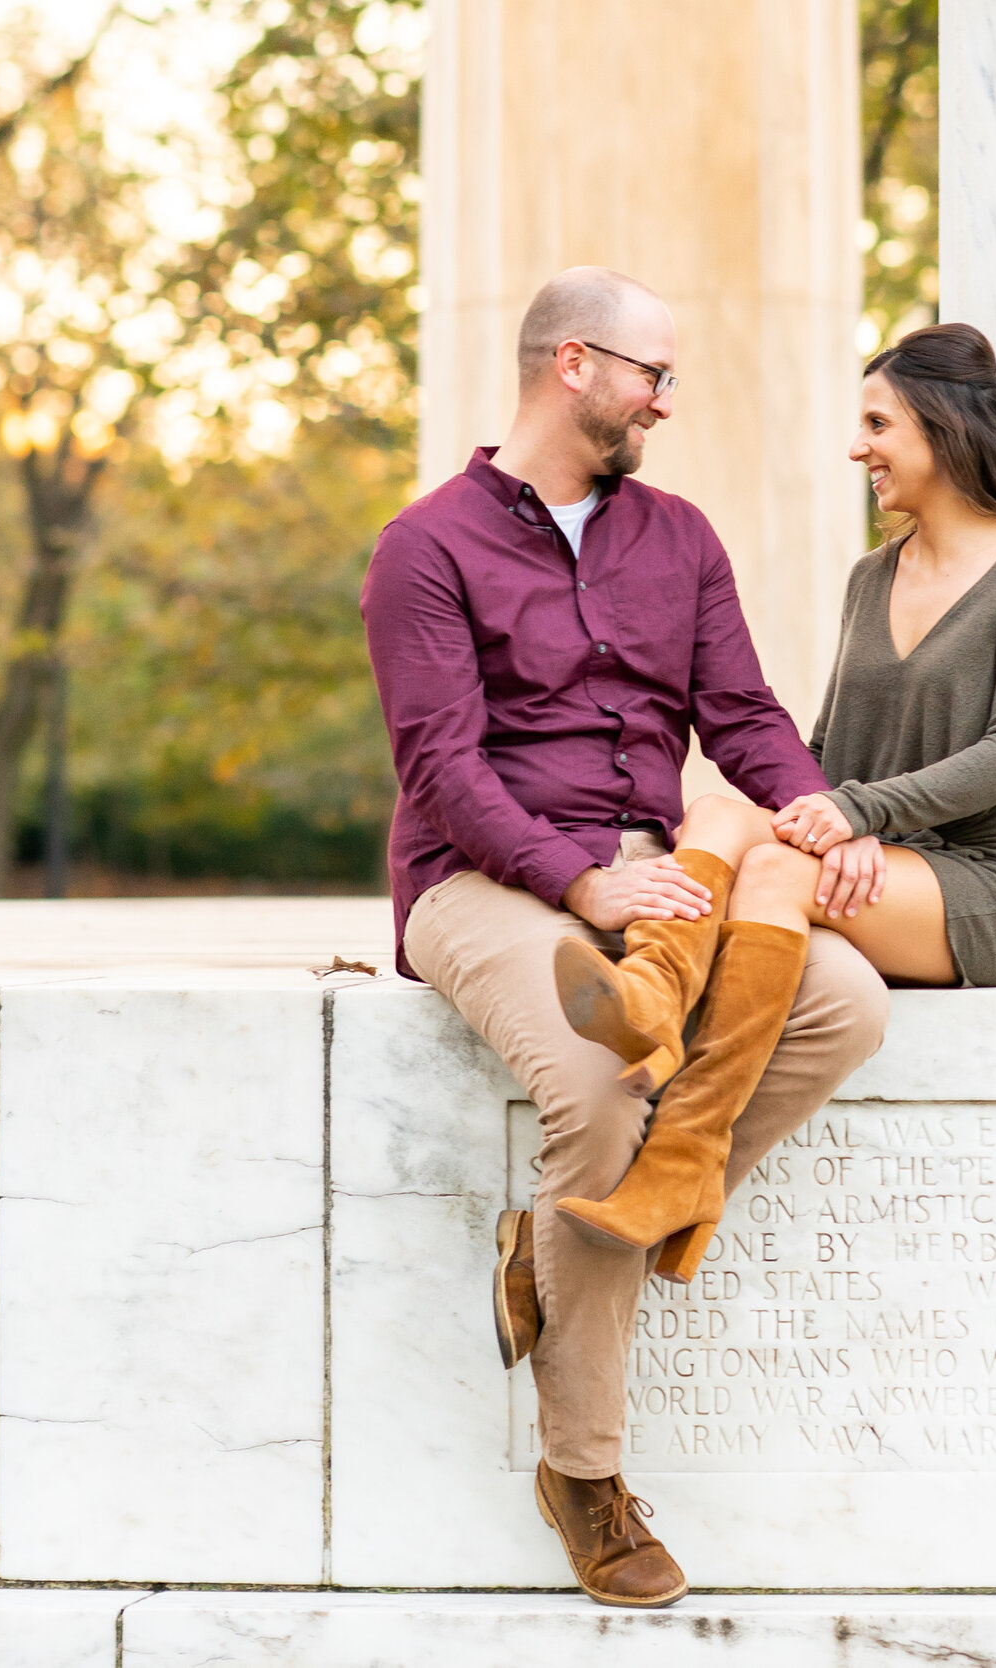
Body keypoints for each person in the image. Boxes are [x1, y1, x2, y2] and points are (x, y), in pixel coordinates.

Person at [360, 267, 889, 1611]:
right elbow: (441, 768)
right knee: (598, 1088)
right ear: (576, 365)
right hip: (483, 881)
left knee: (840, 1003)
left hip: (654, 873)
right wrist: (578, 884)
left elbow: (745, 713)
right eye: (656, 373)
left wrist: (815, 808)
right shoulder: (426, 549)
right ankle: (583, 1477)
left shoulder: (682, 539)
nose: (670, 399)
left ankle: (558, 1243)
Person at [549, 318, 996, 1326]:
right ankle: (652, 998)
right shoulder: (869, 578)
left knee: (780, 863)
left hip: (986, 887)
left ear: (941, 425)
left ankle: (687, 1152)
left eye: (877, 422)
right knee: (718, 807)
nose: (858, 447)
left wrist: (849, 820)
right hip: (872, 859)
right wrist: (811, 814)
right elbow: (830, 750)